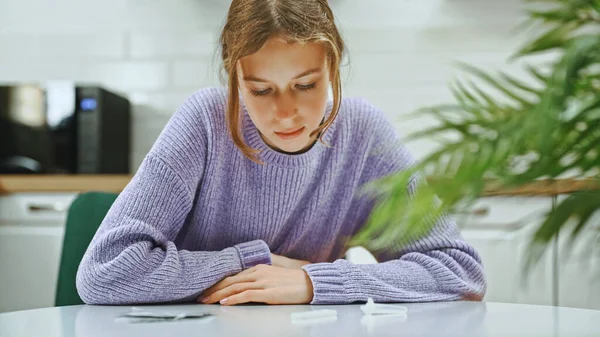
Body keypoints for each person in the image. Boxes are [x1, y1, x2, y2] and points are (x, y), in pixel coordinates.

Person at [76, 0, 486, 306]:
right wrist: (255, 260)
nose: (285, 112)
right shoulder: (204, 121)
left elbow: (461, 272)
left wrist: (314, 282)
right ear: (234, 77)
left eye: (305, 85)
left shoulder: (363, 133)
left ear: (333, 65)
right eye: (260, 90)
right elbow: (103, 274)